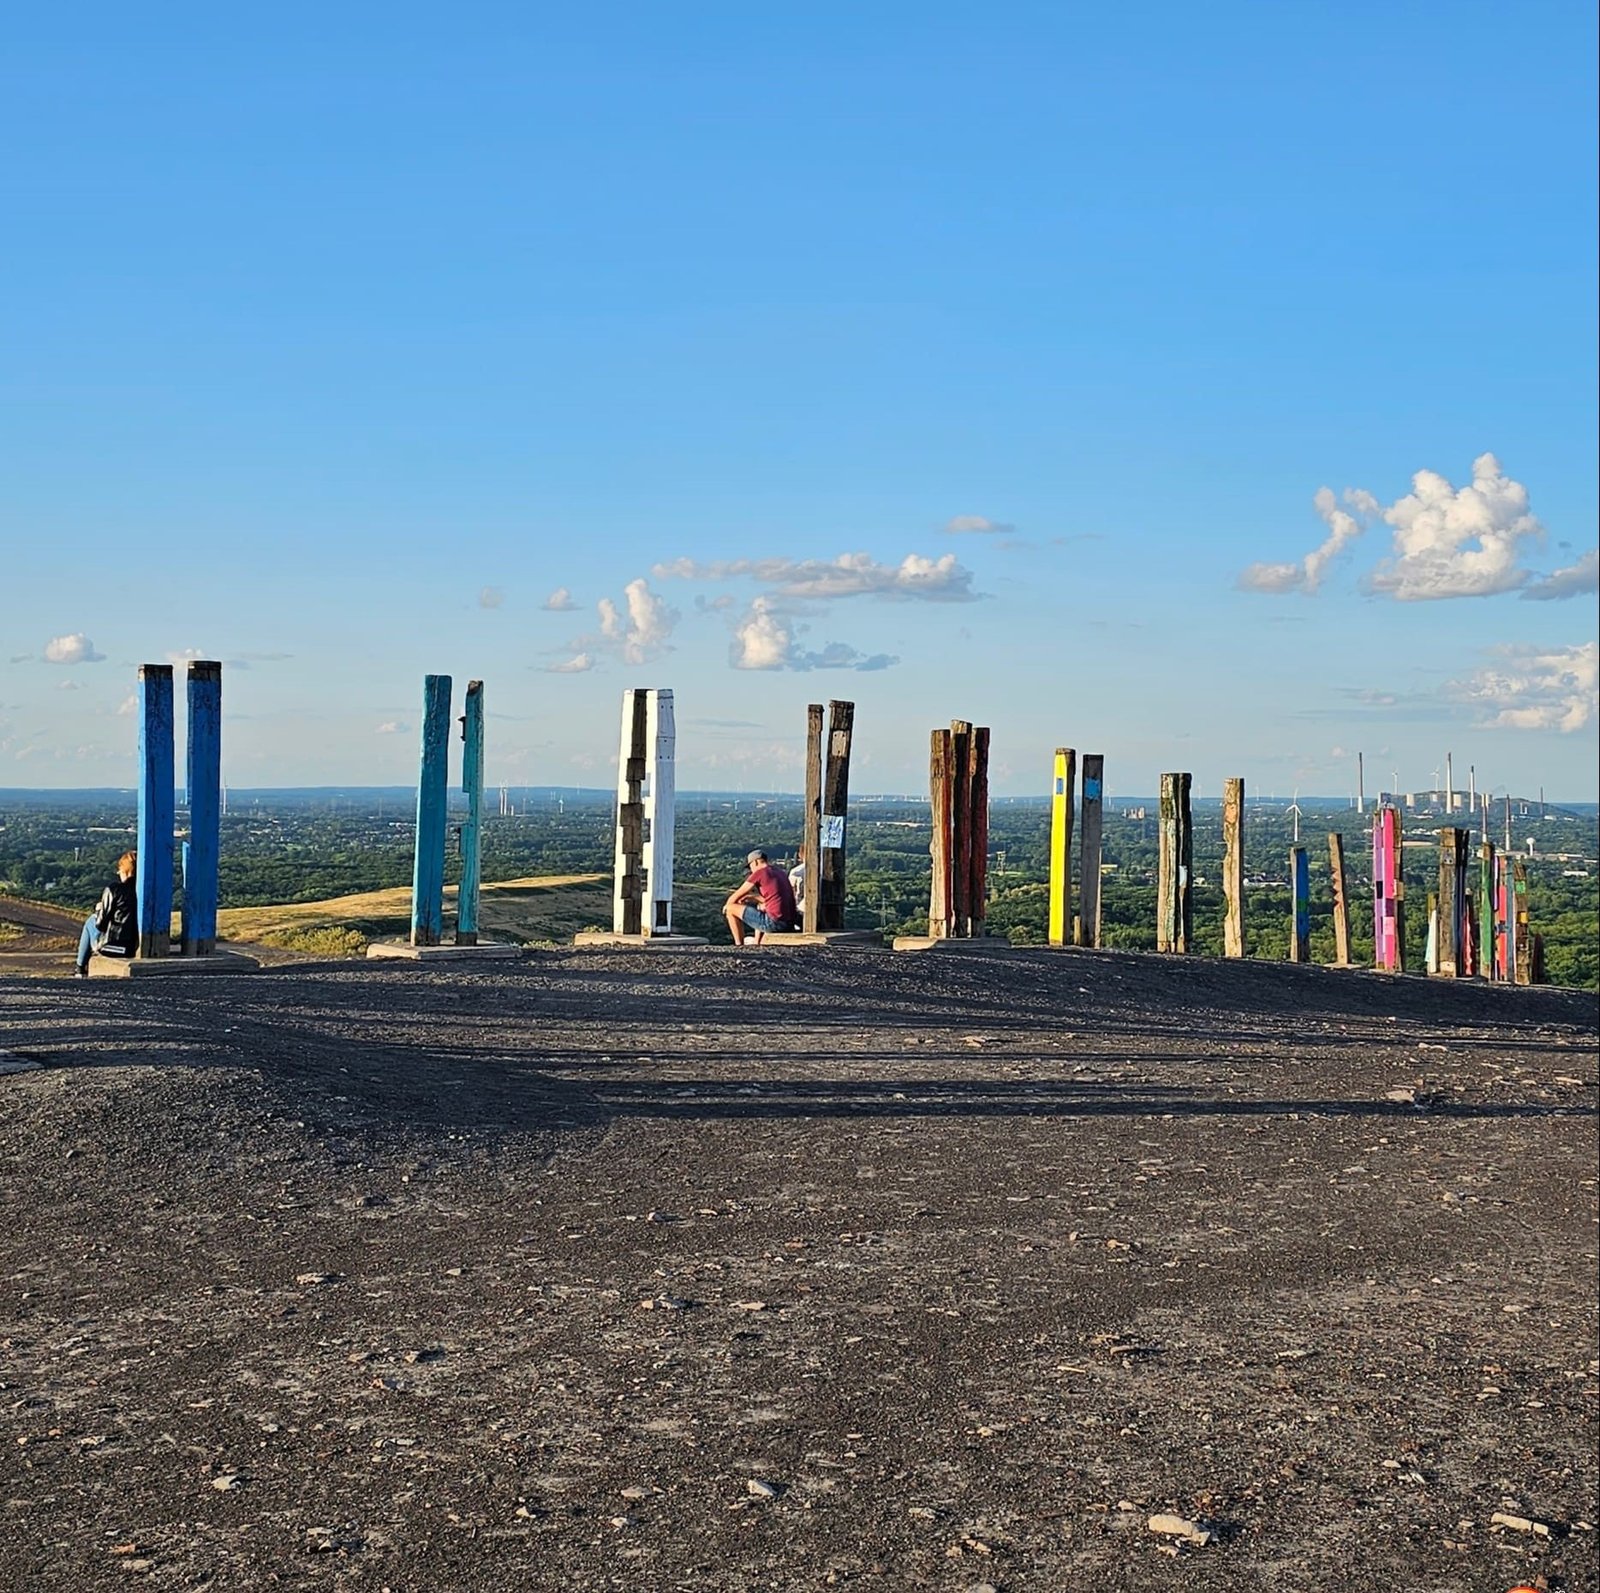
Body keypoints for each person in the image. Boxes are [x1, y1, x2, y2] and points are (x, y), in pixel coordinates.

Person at [75, 851, 139, 976]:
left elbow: (101, 925)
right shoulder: (143, 892)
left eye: (119, 871)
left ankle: (80, 968)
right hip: (132, 948)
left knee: (90, 921)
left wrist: (100, 909)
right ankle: (80, 969)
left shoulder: (114, 890)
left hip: (112, 946)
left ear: (125, 871)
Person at [723, 848, 798, 946]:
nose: (751, 870)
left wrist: (726, 907)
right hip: (789, 923)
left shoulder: (760, 873)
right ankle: (757, 943)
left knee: (731, 909)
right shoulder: (780, 872)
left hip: (774, 923)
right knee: (761, 906)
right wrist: (753, 898)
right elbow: (774, 899)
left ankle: (739, 945)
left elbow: (736, 895)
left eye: (750, 866)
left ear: (756, 862)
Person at [786, 847, 807, 916]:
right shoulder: (822, 871)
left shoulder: (796, 871)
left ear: (800, 855)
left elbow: (789, 891)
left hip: (800, 907)